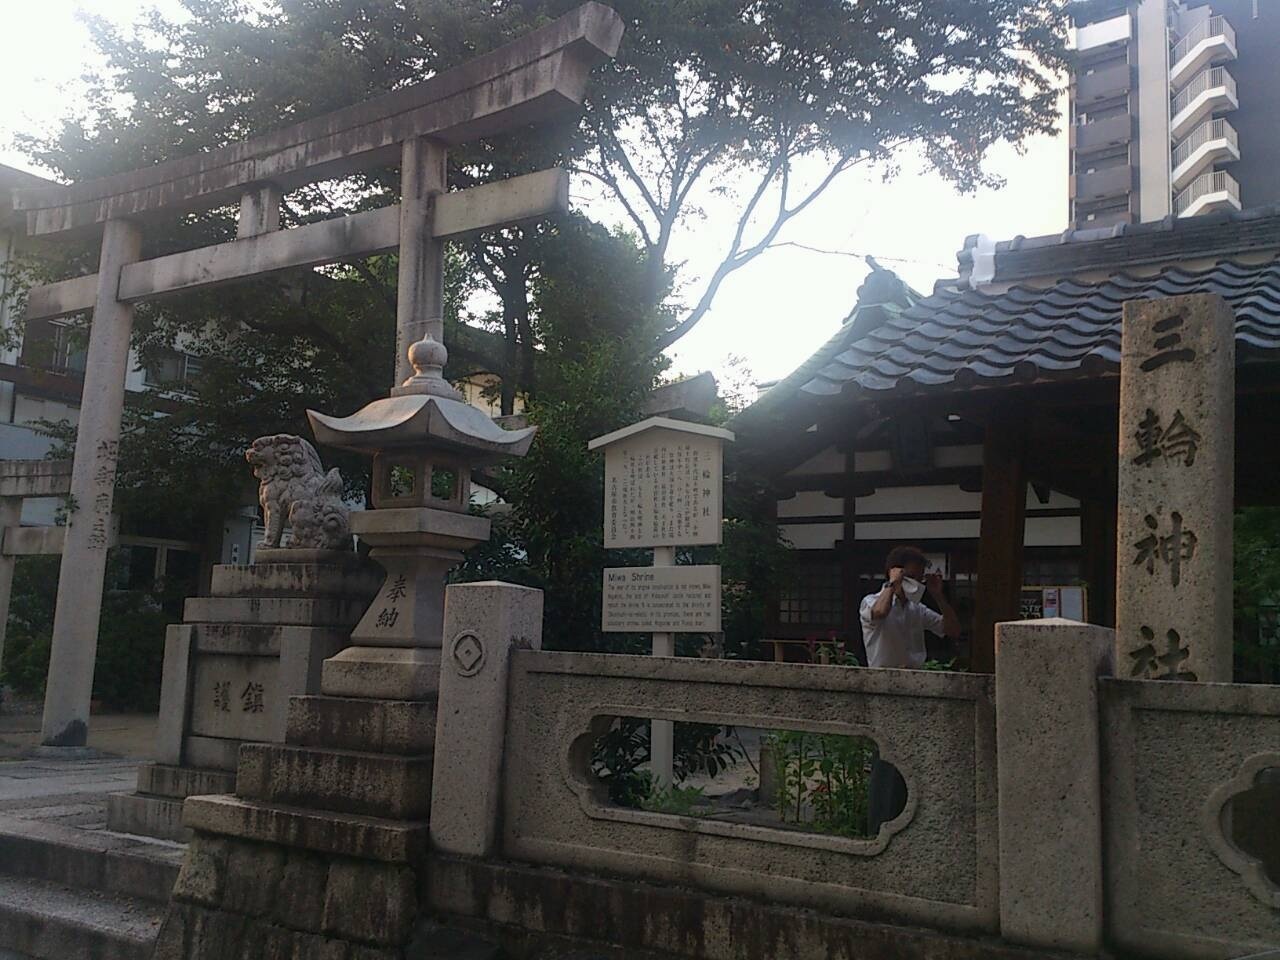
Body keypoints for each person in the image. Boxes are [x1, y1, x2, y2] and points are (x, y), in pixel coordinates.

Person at [859, 545, 961, 834]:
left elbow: (952, 630)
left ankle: (905, 819)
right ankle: (879, 823)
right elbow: (879, 613)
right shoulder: (872, 601)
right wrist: (893, 584)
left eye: (918, 578)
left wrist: (938, 594)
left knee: (911, 756)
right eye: (910, 577)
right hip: (885, 687)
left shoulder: (917, 611)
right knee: (886, 757)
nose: (914, 583)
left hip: (914, 686)